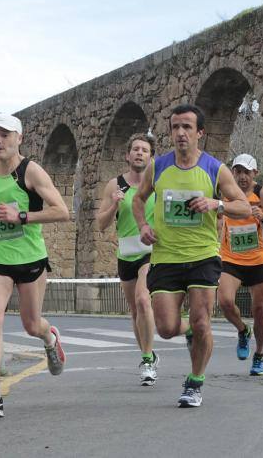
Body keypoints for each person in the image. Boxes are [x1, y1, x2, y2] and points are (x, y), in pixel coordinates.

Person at [133, 104, 250, 407]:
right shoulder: (158, 167)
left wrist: (216, 204)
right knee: (166, 328)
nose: (180, 133)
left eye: (187, 127)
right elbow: (138, 199)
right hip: (166, 257)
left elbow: (244, 206)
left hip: (203, 256)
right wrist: (143, 225)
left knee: (201, 322)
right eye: (175, 127)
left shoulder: (215, 168)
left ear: (200, 133)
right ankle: (187, 333)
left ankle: (195, 382)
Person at [0, 114, 71, 418]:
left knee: (30, 325)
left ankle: (50, 337)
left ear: (19, 139)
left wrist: (22, 217)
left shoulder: (32, 172)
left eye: (5, 135)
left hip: (30, 259)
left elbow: (62, 211)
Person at [97, 133, 159, 385]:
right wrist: (113, 205)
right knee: (135, 311)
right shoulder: (115, 185)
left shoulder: (158, 182)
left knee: (143, 301)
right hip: (126, 254)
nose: (139, 153)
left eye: (144, 150)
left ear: (151, 156)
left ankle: (146, 361)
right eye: (135, 149)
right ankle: (149, 354)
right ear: (127, 155)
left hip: (152, 253)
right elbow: (101, 224)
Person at [218, 153, 263, 375]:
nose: (242, 177)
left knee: (260, 309)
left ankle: (259, 355)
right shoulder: (226, 193)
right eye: (237, 172)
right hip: (231, 257)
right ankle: (242, 330)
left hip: (258, 258)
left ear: (255, 173)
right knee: (225, 301)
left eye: (246, 172)